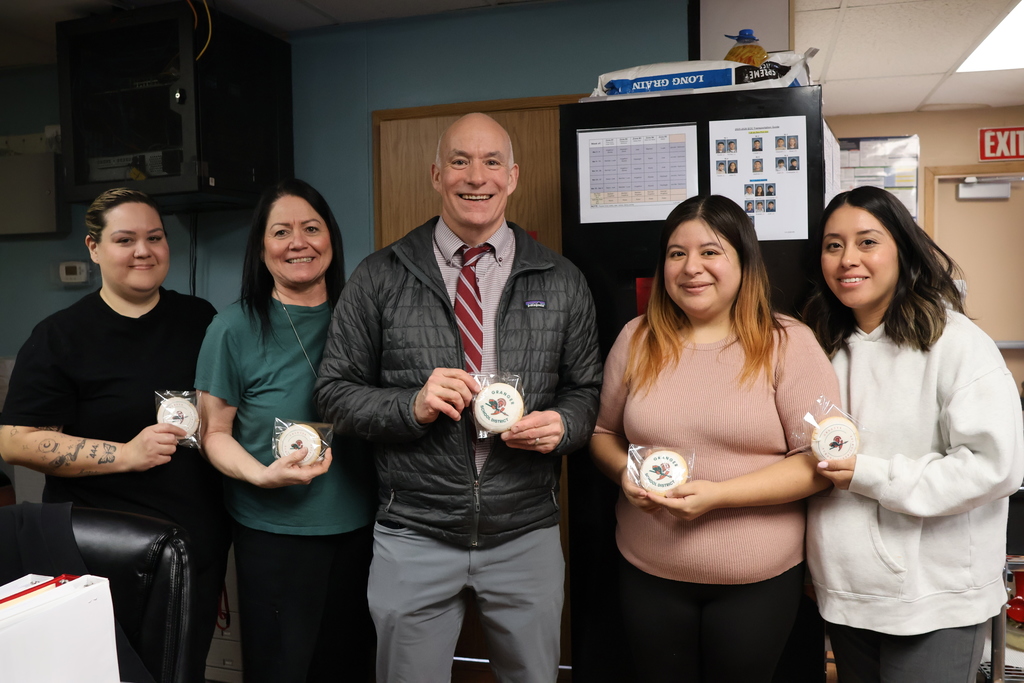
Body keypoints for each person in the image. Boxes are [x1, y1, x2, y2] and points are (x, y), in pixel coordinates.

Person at [315, 112, 602, 683]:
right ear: (436, 173)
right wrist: (409, 406)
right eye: (460, 161)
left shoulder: (562, 279)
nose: (477, 176)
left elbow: (586, 389)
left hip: (526, 533)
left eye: (492, 161)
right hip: (413, 534)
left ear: (513, 175)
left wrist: (564, 426)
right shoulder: (379, 276)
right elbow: (332, 394)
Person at [591, 194, 840, 683]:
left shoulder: (787, 343)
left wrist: (719, 496)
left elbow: (820, 461)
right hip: (648, 569)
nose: (691, 268)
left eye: (710, 251)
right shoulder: (636, 339)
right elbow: (603, 434)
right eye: (676, 253)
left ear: (744, 261)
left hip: (757, 579)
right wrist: (626, 473)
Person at [0, 188, 230, 681]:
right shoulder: (59, 335)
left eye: (155, 237)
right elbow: (15, 440)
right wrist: (125, 454)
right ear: (93, 247)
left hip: (193, 543)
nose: (143, 251)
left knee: (180, 671)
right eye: (125, 239)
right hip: (97, 550)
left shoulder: (201, 319)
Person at [802, 186, 1024, 683]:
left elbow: (996, 465)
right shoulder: (820, 344)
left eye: (867, 242)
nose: (847, 260)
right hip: (845, 594)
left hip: (935, 599)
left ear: (902, 249)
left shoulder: (958, 344)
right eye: (833, 245)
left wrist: (869, 474)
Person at [196, 179, 376, 683]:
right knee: (281, 670)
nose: (298, 242)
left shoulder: (363, 317)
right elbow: (214, 433)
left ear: (331, 240)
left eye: (311, 228)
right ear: (261, 248)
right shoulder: (233, 328)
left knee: (348, 667)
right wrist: (260, 476)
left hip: (363, 530)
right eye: (281, 232)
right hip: (274, 535)